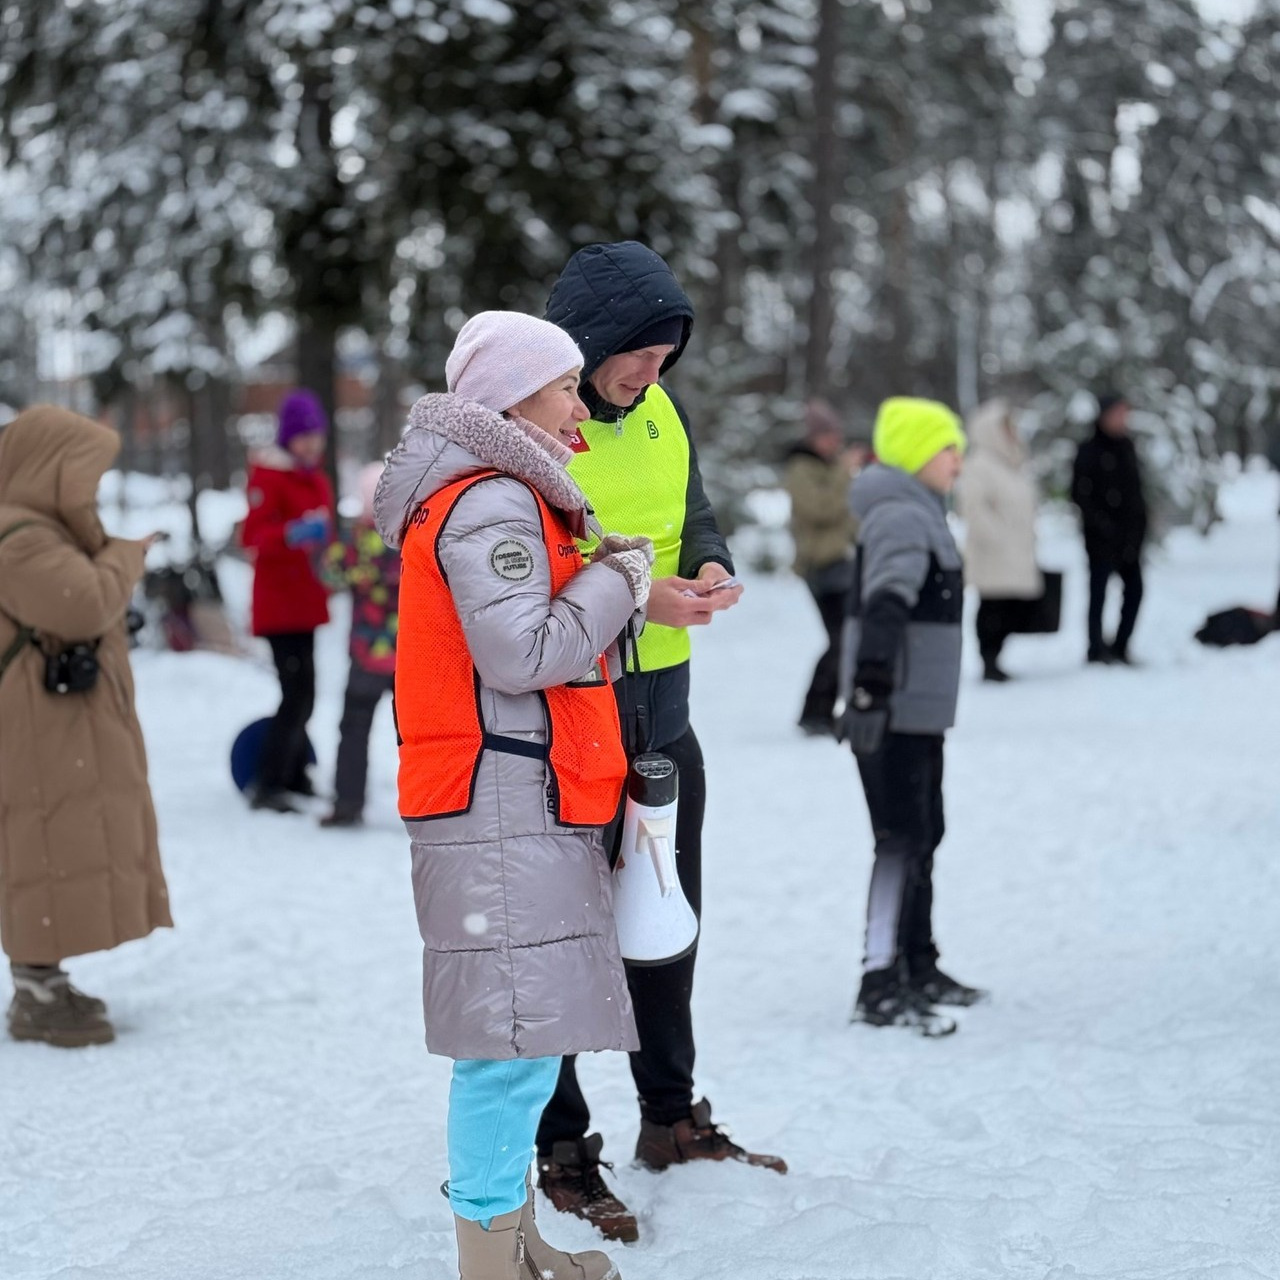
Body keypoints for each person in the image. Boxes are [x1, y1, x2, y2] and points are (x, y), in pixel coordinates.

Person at [374, 310, 651, 1280]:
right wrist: (619, 577)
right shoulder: (491, 497)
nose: (579, 406)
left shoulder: (502, 492)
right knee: (505, 1045)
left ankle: (512, 1237)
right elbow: (521, 648)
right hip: (498, 797)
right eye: (563, 385)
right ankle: (488, 1259)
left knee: (522, 1036)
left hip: (509, 789)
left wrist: (609, 577)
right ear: (512, 395)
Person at [534, 240, 785, 1244]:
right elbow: (537, 569)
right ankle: (558, 1142)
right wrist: (645, 592)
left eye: (665, 353)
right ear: (585, 344)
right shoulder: (538, 427)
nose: (651, 372)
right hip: (572, 716)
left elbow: (692, 508)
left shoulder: (662, 413)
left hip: (664, 716)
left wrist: (711, 558)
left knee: (665, 926)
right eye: (635, 353)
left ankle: (669, 1114)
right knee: (562, 944)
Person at [0, 405, 172, 1047]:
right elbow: (86, 602)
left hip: (52, 728)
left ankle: (44, 979)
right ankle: (37, 991)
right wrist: (126, 556)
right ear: (50, 471)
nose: (90, 491)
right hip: (39, 733)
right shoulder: (20, 536)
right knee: (40, 844)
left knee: (53, 841)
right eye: (83, 476)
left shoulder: (37, 528)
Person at [840, 397, 985, 1037]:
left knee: (925, 831)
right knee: (899, 841)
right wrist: (871, 690)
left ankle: (919, 963)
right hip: (893, 710)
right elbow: (887, 605)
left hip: (918, 712)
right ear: (920, 452)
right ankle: (879, 981)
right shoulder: (902, 515)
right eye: (949, 447)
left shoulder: (918, 511)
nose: (959, 461)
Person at [239, 389, 334, 811]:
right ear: (288, 438)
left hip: (305, 602)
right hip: (279, 606)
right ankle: (268, 782)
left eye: (317, 435)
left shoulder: (315, 478)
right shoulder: (270, 476)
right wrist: (292, 533)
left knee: (307, 694)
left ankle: (293, 773)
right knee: (295, 694)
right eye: (304, 436)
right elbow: (253, 537)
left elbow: (325, 530)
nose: (312, 443)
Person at [319, 462, 400, 829]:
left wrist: (319, 548)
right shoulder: (411, 536)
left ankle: (348, 803)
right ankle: (430, 806)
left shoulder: (356, 540)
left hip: (367, 654)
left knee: (353, 729)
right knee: (416, 738)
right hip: (409, 657)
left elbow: (331, 573)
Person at [783, 399, 862, 733]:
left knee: (846, 638)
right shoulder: (802, 469)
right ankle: (815, 711)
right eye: (829, 435)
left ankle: (822, 710)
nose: (836, 442)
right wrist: (846, 473)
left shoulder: (829, 469)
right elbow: (822, 510)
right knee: (841, 639)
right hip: (822, 567)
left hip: (842, 565)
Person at [955, 398, 1042, 682]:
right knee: (992, 607)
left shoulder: (1013, 463)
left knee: (1008, 607)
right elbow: (973, 508)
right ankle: (988, 659)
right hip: (992, 551)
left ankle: (997, 657)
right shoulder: (980, 464)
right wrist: (997, 538)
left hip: (1015, 549)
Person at [1071, 393, 1147, 665]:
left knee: (1135, 590)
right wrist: (1102, 526)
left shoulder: (1127, 447)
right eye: (1117, 413)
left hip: (1130, 538)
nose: (1122, 419)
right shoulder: (1089, 450)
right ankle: (1095, 648)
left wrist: (1138, 530)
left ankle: (1120, 646)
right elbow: (1080, 495)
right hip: (1100, 539)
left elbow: (1136, 494)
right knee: (1098, 593)